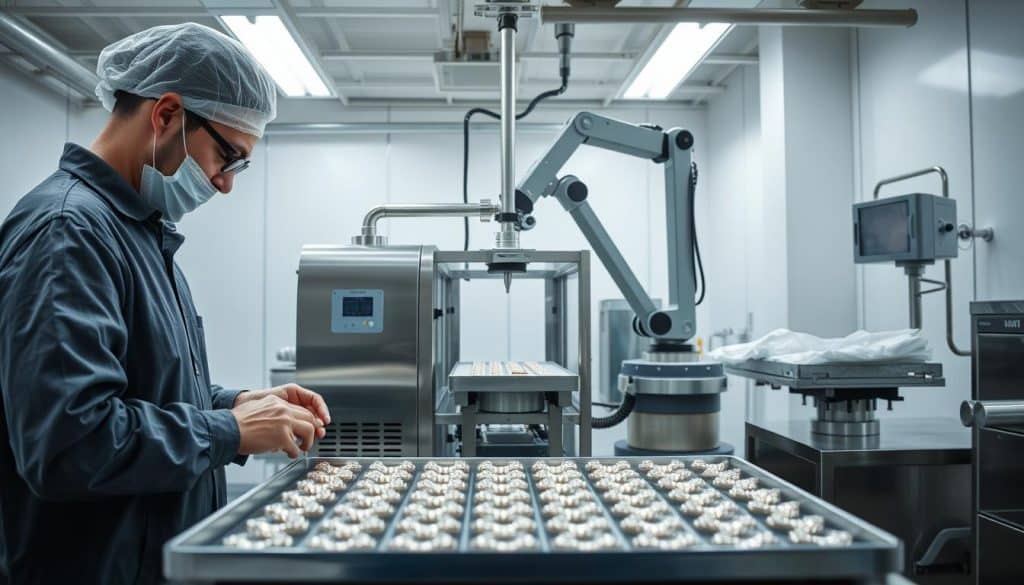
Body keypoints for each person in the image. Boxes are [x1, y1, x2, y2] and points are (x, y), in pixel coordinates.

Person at [0, 23, 331, 584]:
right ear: (166, 115)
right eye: (228, 157)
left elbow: (143, 387)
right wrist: (228, 430)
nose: (225, 184)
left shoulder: (139, 233)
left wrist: (240, 402)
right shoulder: (67, 232)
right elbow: (70, 444)